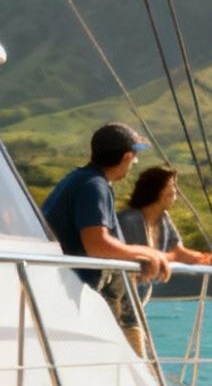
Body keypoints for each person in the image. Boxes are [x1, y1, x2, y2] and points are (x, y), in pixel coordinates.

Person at [40, 123, 171, 296]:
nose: (134, 163)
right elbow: (97, 245)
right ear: (126, 157)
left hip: (57, 283)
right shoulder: (93, 186)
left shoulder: (81, 179)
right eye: (135, 158)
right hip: (65, 288)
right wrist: (148, 253)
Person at [110, 165, 212, 353]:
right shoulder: (130, 220)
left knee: (145, 361)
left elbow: (179, 252)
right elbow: (140, 256)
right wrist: (164, 257)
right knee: (140, 361)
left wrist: (210, 260)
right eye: (172, 186)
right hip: (119, 306)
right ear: (157, 190)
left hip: (135, 306)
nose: (175, 191)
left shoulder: (163, 219)